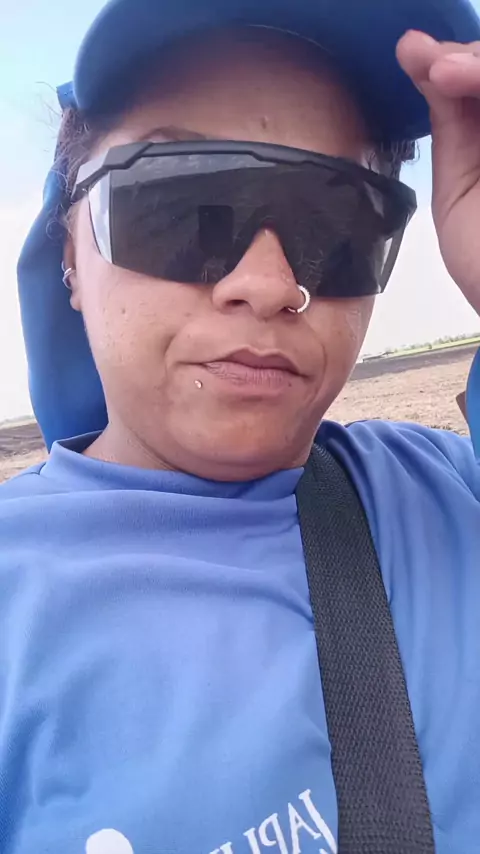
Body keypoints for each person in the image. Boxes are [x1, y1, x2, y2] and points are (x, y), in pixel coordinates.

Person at [1, 0, 480, 851]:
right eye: (182, 204)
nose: (268, 284)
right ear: (67, 249)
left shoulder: (451, 493)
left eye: (338, 220)